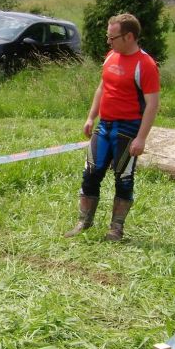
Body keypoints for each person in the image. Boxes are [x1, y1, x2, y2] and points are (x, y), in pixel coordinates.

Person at [64, 13, 160, 241]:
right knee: (90, 172)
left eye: (112, 38)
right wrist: (90, 117)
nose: (108, 42)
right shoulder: (110, 56)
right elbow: (101, 88)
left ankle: (116, 228)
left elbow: (153, 105)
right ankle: (83, 222)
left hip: (128, 129)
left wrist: (141, 138)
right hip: (104, 126)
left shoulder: (145, 65)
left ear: (128, 36)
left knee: (123, 178)